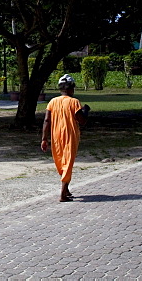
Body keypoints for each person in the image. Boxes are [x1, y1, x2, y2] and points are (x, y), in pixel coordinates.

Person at [40, 74, 90, 202]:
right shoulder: (74, 102)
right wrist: (86, 111)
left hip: (55, 136)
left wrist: (44, 139)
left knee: (60, 161)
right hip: (70, 136)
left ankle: (66, 189)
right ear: (72, 89)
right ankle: (63, 193)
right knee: (68, 162)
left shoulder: (52, 102)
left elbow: (46, 120)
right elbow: (82, 121)